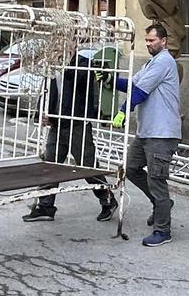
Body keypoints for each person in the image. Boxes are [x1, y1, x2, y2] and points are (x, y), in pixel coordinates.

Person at [103, 24, 181, 248]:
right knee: (132, 168)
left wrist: (122, 111)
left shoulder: (165, 61)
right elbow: (132, 84)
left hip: (162, 133)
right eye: (146, 40)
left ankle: (162, 230)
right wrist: (110, 80)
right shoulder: (151, 63)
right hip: (147, 131)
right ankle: (160, 205)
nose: (148, 44)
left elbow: (140, 92)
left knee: (157, 180)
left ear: (164, 41)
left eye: (152, 40)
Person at [21, 50, 118, 223]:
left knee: (87, 168)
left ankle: (108, 200)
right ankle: (45, 207)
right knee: (49, 165)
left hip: (77, 124)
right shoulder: (54, 64)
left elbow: (81, 79)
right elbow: (47, 92)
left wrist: (64, 63)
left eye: (63, 41)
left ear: (73, 43)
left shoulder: (82, 64)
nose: (58, 46)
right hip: (57, 124)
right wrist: (43, 113)